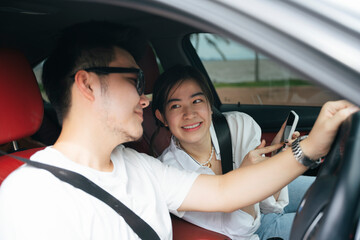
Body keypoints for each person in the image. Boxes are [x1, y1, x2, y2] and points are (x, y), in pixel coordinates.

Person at [0, 21, 357, 240]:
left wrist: (309, 148)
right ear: (88, 85)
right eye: (135, 80)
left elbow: (223, 191)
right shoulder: (31, 195)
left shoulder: (138, 166)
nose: (143, 99)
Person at [151, 65, 314, 240]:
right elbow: (242, 230)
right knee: (329, 223)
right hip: (251, 234)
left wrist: (275, 160)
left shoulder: (238, 126)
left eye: (197, 101)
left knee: (333, 192)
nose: (189, 113)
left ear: (209, 104)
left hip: (262, 209)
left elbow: (271, 206)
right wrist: (246, 176)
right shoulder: (169, 175)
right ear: (162, 117)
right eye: (176, 106)